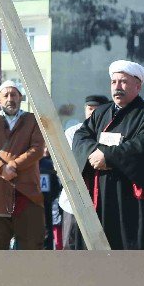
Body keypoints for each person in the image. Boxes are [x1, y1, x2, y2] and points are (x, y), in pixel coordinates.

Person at [71, 61, 144, 286]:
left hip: (130, 201)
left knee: (128, 255)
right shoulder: (101, 113)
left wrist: (109, 157)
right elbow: (81, 137)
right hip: (99, 196)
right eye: (114, 82)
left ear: (138, 86)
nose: (117, 87)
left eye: (124, 81)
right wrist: (93, 153)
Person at [0, 80, 46, 250]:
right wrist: (1, 168)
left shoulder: (32, 120)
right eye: (5, 95)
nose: (10, 98)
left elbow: (38, 149)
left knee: (32, 248)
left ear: (20, 97)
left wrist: (13, 166)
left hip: (28, 192)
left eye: (14, 94)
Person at [59, 94, 109, 249]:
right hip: (74, 201)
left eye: (97, 109)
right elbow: (69, 164)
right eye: (89, 108)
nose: (92, 112)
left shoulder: (110, 134)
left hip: (103, 201)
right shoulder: (72, 132)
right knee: (71, 245)